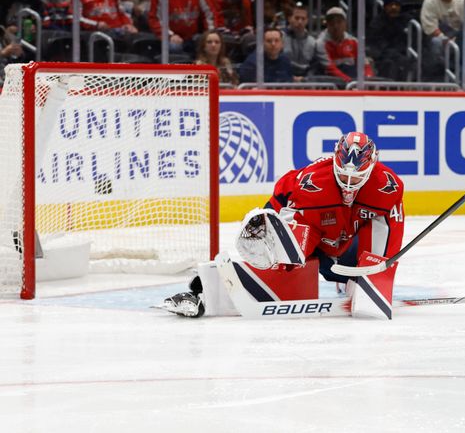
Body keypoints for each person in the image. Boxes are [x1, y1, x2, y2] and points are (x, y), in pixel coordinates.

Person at [161, 131, 406, 317]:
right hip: (316, 238)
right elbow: (277, 204)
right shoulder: (310, 181)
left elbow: (392, 229)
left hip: (346, 248)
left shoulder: (388, 186)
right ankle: (205, 289)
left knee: (377, 229)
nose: (348, 184)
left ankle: (360, 281)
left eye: (356, 177)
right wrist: (265, 233)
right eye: (343, 175)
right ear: (334, 162)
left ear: (372, 165)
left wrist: (381, 269)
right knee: (286, 253)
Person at [314, 6, 373, 82]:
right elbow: (330, 69)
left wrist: (368, 79)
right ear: (327, 25)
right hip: (332, 81)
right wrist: (349, 82)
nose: (336, 26)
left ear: (345, 23)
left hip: (353, 78)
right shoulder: (320, 43)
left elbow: (365, 64)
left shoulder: (354, 41)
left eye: (339, 22)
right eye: (332, 23)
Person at [282, 4, 318, 77]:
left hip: (306, 80)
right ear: (289, 18)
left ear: (307, 20)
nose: (300, 22)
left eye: (303, 19)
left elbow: (315, 65)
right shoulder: (280, 37)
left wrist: (307, 79)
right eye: (297, 18)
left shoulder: (312, 41)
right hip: (284, 78)